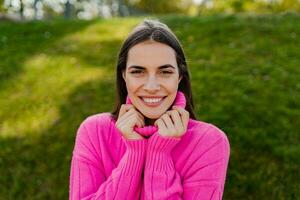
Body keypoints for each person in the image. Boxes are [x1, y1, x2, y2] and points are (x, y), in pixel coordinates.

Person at [69, 19, 230, 200]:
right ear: (124, 75)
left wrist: (159, 153)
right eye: (138, 72)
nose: (152, 86)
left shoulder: (209, 142)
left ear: (179, 77)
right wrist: (134, 153)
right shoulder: (94, 132)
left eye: (165, 72)